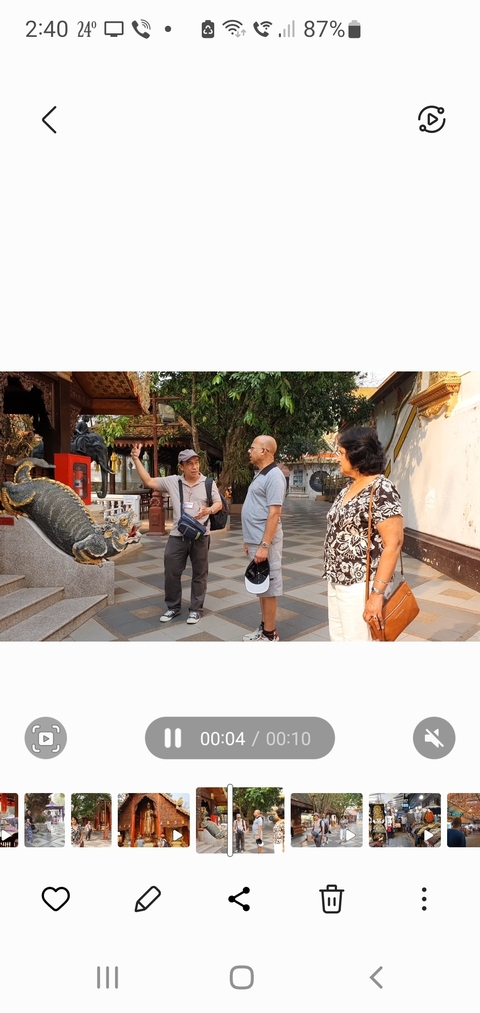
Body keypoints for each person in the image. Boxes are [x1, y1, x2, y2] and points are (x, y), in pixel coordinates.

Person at [324, 427, 404, 641]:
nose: (337, 458)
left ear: (356, 455)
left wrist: (376, 594)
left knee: (359, 642)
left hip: (362, 584)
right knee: (340, 639)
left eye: (341, 453)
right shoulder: (348, 488)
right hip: (337, 579)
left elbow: (394, 543)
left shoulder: (381, 489)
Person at [131, 444, 223, 624]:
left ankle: (196, 609)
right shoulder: (173, 481)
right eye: (190, 464)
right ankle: (173, 607)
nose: (195, 467)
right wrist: (136, 459)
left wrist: (209, 510)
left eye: (196, 462)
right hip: (177, 536)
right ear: (181, 466)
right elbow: (149, 481)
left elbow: (219, 503)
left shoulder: (208, 483)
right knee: (171, 572)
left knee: (199, 573)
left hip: (201, 536)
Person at [241, 435, 287, 641]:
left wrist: (264, 545)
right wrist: (249, 540)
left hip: (266, 543)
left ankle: (270, 635)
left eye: (252, 448)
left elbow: (275, 513)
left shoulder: (274, 476)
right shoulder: (260, 474)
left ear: (265, 451)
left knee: (269, 589)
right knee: (261, 586)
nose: (249, 451)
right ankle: (264, 628)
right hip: (256, 541)